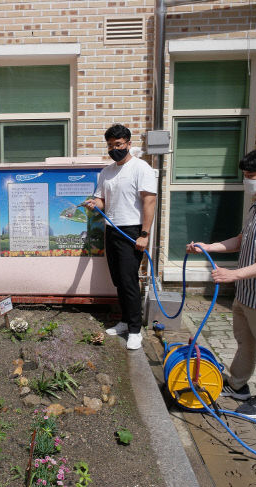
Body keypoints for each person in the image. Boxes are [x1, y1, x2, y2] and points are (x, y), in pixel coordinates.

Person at [186, 148, 256, 419]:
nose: (247, 181)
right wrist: (207, 247)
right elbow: (241, 240)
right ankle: (238, 384)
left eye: (251, 176)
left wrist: (233, 274)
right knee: (244, 341)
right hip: (247, 292)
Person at [83, 124, 158, 350]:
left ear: (128, 144)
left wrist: (144, 234)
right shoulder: (106, 172)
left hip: (132, 231)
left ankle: (135, 330)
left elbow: (149, 201)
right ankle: (125, 321)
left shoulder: (140, 168)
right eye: (110, 145)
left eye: (118, 144)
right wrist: (94, 203)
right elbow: (102, 200)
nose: (114, 149)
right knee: (118, 280)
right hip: (112, 229)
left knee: (129, 281)